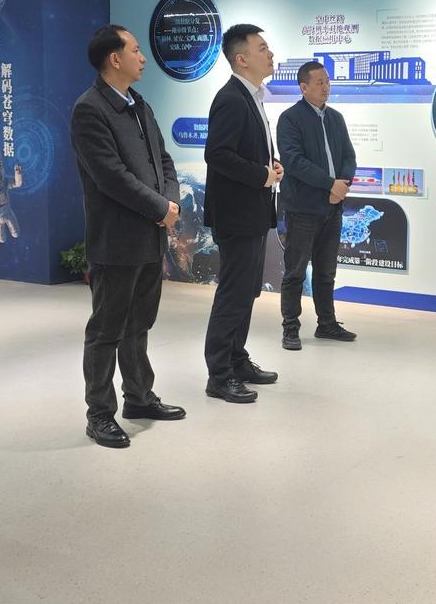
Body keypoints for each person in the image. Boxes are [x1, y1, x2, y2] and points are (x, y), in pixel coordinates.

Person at [71, 25, 185, 448]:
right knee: (107, 330)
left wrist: (170, 202)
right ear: (114, 59)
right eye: (135, 50)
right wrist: (160, 208)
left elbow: (164, 161)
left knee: (139, 324)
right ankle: (99, 414)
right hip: (116, 241)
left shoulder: (139, 104)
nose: (143, 57)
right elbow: (111, 177)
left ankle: (139, 397)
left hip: (150, 237)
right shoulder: (90, 109)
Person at [201, 24, 282, 403]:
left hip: (253, 211)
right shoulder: (232, 98)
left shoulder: (253, 96)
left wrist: (271, 165)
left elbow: (245, 150)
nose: (270, 53)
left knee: (246, 292)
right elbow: (217, 154)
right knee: (233, 293)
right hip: (236, 215)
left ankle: (236, 359)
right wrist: (261, 175)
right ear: (242, 58)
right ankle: (219, 375)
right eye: (262, 48)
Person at [276, 61, 357, 350]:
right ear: (303, 87)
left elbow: (349, 156)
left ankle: (327, 324)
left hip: (333, 206)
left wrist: (341, 185)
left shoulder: (336, 118)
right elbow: (294, 161)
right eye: (319, 82)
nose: (326, 87)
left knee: (326, 271)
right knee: (296, 271)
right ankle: (290, 328)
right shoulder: (290, 119)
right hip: (303, 208)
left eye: (327, 82)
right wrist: (329, 184)